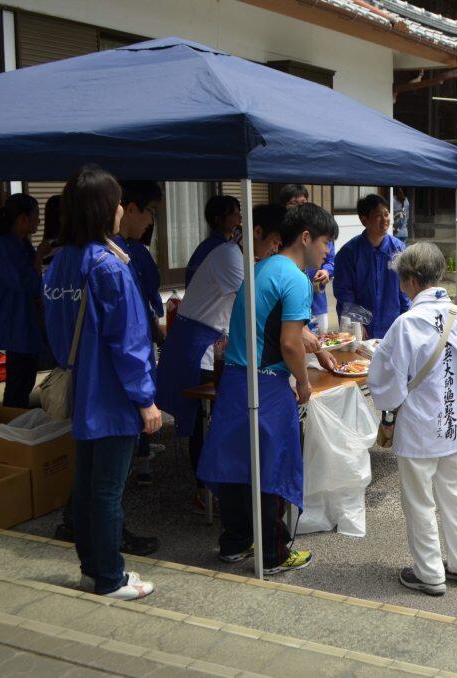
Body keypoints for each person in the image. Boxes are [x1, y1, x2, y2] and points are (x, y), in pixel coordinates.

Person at [197, 202, 337, 575]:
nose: (326, 251)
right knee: (272, 468)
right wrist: (304, 383)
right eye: (325, 242)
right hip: (269, 384)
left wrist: (317, 349)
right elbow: (290, 343)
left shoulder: (258, 268)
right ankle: (273, 554)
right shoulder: (295, 279)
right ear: (305, 238)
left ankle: (235, 542)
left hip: (235, 379)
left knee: (236, 463)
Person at [43, 165, 160, 599]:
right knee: (108, 492)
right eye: (115, 202)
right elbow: (129, 342)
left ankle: (93, 570)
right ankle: (110, 577)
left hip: (80, 388)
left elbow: (57, 332)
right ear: (101, 209)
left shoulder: (59, 262)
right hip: (111, 395)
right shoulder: (108, 266)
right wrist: (145, 400)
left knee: (89, 488)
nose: (118, 210)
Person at [367, 243, 457, 596]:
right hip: (455, 425)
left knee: (420, 502)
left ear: (412, 280)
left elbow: (385, 385)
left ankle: (430, 573)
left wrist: (388, 411)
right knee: (456, 497)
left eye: (403, 280)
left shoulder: (406, 324)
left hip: (418, 430)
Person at [156, 199, 283, 514]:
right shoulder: (230, 256)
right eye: (275, 241)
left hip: (210, 341)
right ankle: (203, 489)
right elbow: (255, 303)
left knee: (211, 417)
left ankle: (218, 484)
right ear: (256, 233)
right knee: (203, 418)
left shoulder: (239, 255)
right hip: (197, 346)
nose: (277, 249)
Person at [114, 180, 165, 487]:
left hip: (110, 372)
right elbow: (126, 338)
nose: (150, 221)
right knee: (109, 484)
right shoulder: (115, 261)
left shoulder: (78, 257)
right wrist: (145, 398)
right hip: (125, 367)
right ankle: (141, 462)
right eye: (150, 212)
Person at [0, 192, 42, 409]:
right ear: (22, 219)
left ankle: (16, 422)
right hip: (14, 321)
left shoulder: (22, 243)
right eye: (36, 214)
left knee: (25, 377)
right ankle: (11, 428)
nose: (39, 220)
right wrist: (39, 258)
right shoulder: (5, 246)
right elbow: (25, 282)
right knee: (18, 380)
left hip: (25, 321)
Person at [333, 194, 409, 338]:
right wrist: (357, 323)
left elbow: (405, 290)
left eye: (386, 214)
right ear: (364, 219)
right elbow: (344, 293)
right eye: (378, 216)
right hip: (361, 328)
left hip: (393, 325)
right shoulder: (349, 253)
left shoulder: (399, 249)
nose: (385, 220)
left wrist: (407, 317)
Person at [279, 185, 335, 334]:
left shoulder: (319, 229)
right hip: (290, 305)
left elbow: (331, 259)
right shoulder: (279, 236)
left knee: (319, 341)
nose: (299, 208)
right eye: (293, 203)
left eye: (303, 203)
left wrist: (326, 271)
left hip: (316, 301)